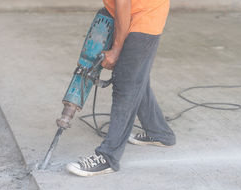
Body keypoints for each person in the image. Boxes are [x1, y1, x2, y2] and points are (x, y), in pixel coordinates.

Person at [67, 0, 176, 177]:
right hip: (133, 10)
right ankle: (160, 133)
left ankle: (108, 157)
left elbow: (123, 2)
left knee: (125, 85)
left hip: (144, 17)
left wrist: (117, 48)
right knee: (135, 78)